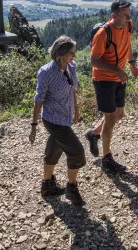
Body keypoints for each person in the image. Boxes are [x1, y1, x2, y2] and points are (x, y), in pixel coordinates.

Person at [29, 35, 86, 206]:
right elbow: (39, 100)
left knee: (54, 149)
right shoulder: (46, 73)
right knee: (76, 152)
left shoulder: (71, 66)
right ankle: (72, 187)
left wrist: (76, 109)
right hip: (53, 120)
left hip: (65, 117)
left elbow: (72, 89)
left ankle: (47, 186)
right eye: (71, 53)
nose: (74, 56)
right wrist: (33, 126)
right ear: (60, 53)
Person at [85, 0, 138, 173]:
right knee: (110, 118)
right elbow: (93, 60)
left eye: (129, 14)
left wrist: (131, 63)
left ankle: (93, 134)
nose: (128, 17)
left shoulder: (128, 26)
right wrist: (116, 69)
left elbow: (128, 42)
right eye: (125, 14)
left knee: (119, 114)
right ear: (113, 15)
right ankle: (106, 159)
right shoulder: (103, 34)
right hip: (103, 79)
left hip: (118, 76)